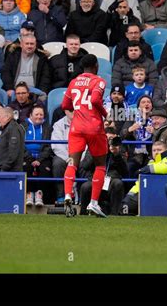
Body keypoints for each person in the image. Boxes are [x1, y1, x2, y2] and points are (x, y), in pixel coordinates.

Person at [61, 54, 109, 218]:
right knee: (100, 165)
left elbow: (65, 105)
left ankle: (68, 195)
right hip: (94, 127)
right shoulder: (99, 81)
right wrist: (105, 113)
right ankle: (93, 203)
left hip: (76, 127)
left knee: (72, 163)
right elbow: (95, 99)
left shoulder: (73, 82)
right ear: (96, 66)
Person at [79, 131, 128, 216]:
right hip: (95, 179)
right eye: (107, 139)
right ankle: (84, 213)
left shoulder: (119, 147)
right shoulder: (94, 146)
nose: (109, 142)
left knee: (118, 183)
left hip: (111, 180)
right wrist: (98, 150)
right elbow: (85, 166)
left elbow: (125, 171)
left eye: (111, 139)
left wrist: (116, 155)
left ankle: (114, 214)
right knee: (85, 187)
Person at [122, 140, 167, 215]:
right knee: (124, 208)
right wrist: (131, 193)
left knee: (127, 209)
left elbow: (165, 167)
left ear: (166, 150)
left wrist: (146, 169)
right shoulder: (151, 162)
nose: (156, 152)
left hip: (156, 195)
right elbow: (139, 182)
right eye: (154, 150)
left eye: (159, 150)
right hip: (143, 193)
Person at [23, 105, 52, 207]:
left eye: (41, 114)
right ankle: (29, 194)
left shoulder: (47, 128)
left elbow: (49, 146)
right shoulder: (23, 126)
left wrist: (39, 159)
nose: (39, 117)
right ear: (30, 115)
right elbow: (20, 145)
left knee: (45, 169)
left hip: (42, 157)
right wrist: (31, 159)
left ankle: (39, 194)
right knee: (27, 167)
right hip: (27, 157)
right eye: (36, 114)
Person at [0, 106, 26, 172]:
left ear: (7, 116)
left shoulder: (13, 128)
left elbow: (14, 151)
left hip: (11, 172)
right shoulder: (9, 128)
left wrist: (4, 167)